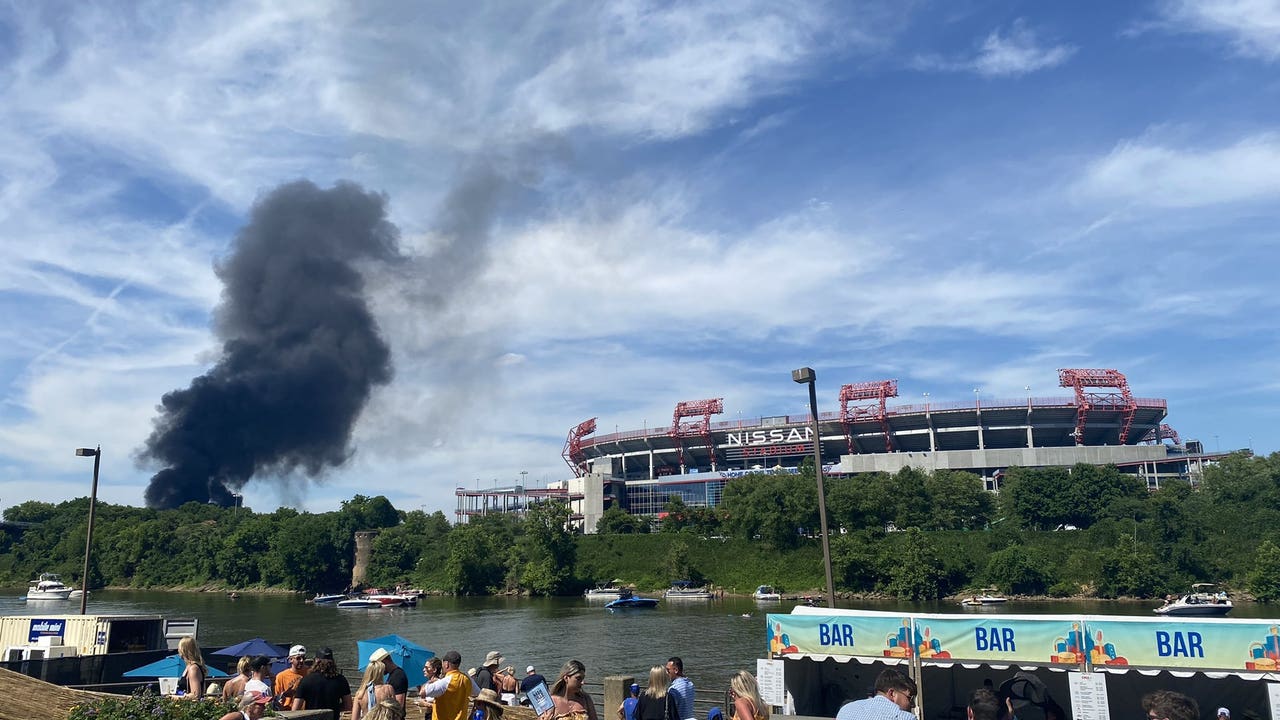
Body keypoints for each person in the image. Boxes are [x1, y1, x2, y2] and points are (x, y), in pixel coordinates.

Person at [294, 647, 352, 720]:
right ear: (332, 661)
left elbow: (295, 709)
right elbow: (348, 706)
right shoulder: (341, 680)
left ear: (316, 661)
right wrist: (335, 708)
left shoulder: (306, 680)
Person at [835, 669, 917, 720]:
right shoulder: (905, 718)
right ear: (892, 694)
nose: (913, 705)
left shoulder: (846, 710)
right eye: (910, 698)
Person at [421, 649, 479, 720]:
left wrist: (429, 682)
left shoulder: (445, 681)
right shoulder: (467, 679)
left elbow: (423, 692)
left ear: (446, 664)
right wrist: (473, 712)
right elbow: (479, 695)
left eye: (442, 663)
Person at [274, 644, 310, 708]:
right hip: (288, 710)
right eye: (298, 658)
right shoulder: (281, 676)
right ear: (290, 660)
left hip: (308, 710)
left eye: (303, 658)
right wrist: (285, 695)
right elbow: (276, 697)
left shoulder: (310, 673)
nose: (301, 661)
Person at [175, 636, 207, 701]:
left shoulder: (193, 669)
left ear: (183, 650)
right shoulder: (189, 667)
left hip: (191, 706)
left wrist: (175, 698)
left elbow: (196, 695)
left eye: (179, 648)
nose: (178, 650)